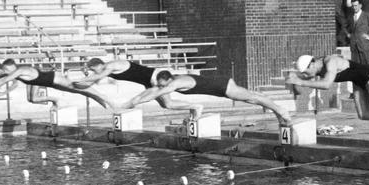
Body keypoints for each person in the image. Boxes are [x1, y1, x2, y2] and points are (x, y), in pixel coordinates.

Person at [116, 68, 293, 125]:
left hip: (222, 86)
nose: (164, 88)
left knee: (253, 98)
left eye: (164, 85)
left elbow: (157, 92)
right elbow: (155, 90)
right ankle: (278, 113)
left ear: (169, 79)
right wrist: (135, 100)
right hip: (219, 87)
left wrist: (133, 102)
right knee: (253, 98)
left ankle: (281, 110)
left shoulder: (176, 82)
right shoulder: (173, 79)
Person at [285, 52, 369, 126]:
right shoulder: (316, 69)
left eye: (306, 72)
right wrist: (294, 80)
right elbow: (300, 87)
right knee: (363, 115)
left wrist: (299, 81)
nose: (306, 75)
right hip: (357, 81)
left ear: (312, 64)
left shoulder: (330, 62)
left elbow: (326, 84)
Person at [0, 58, 116, 106]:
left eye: (7, 69)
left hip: (54, 78)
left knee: (79, 88)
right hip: (50, 82)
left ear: (12, 67)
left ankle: (107, 100)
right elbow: (0, 80)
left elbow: (4, 79)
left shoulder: (20, 70)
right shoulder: (13, 72)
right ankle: (101, 101)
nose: (6, 72)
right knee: (78, 91)